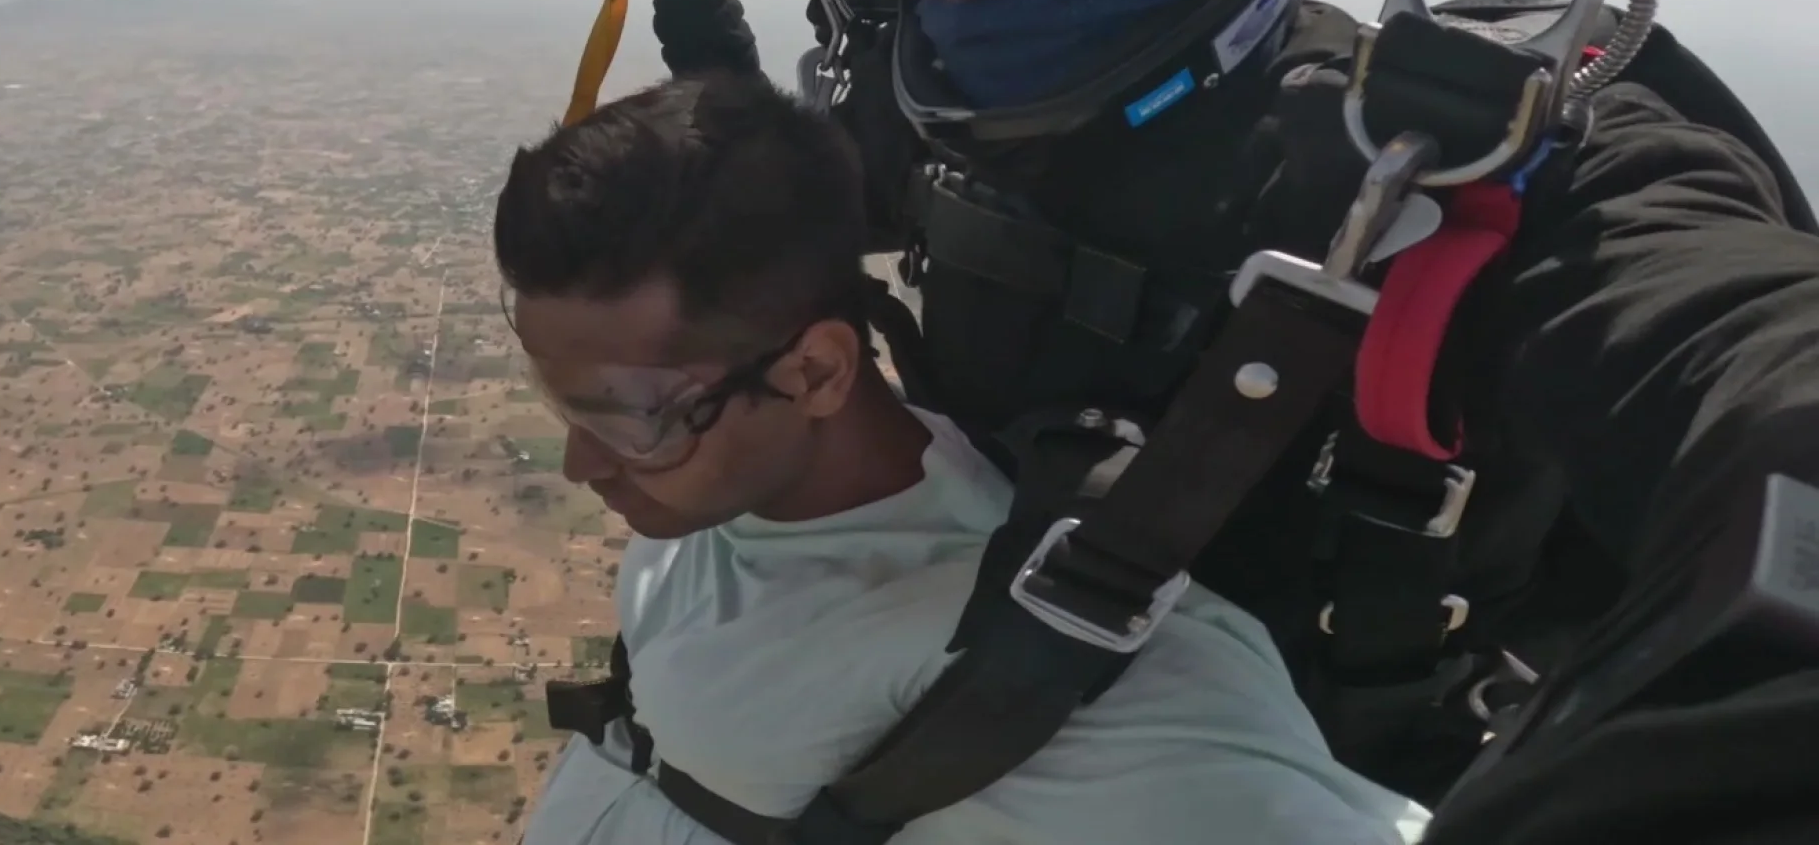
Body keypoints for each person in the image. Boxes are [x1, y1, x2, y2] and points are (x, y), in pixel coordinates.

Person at [594, 0, 1819, 832]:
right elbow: (790, 201)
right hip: (983, 724)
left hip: (1299, 780)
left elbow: (1733, 346)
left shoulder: (1422, 165)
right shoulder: (955, 126)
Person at [494, 71, 1433, 844]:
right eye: (563, 403)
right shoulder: (724, 492)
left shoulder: (1053, 670)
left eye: (628, 417)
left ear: (815, 372)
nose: (582, 464)